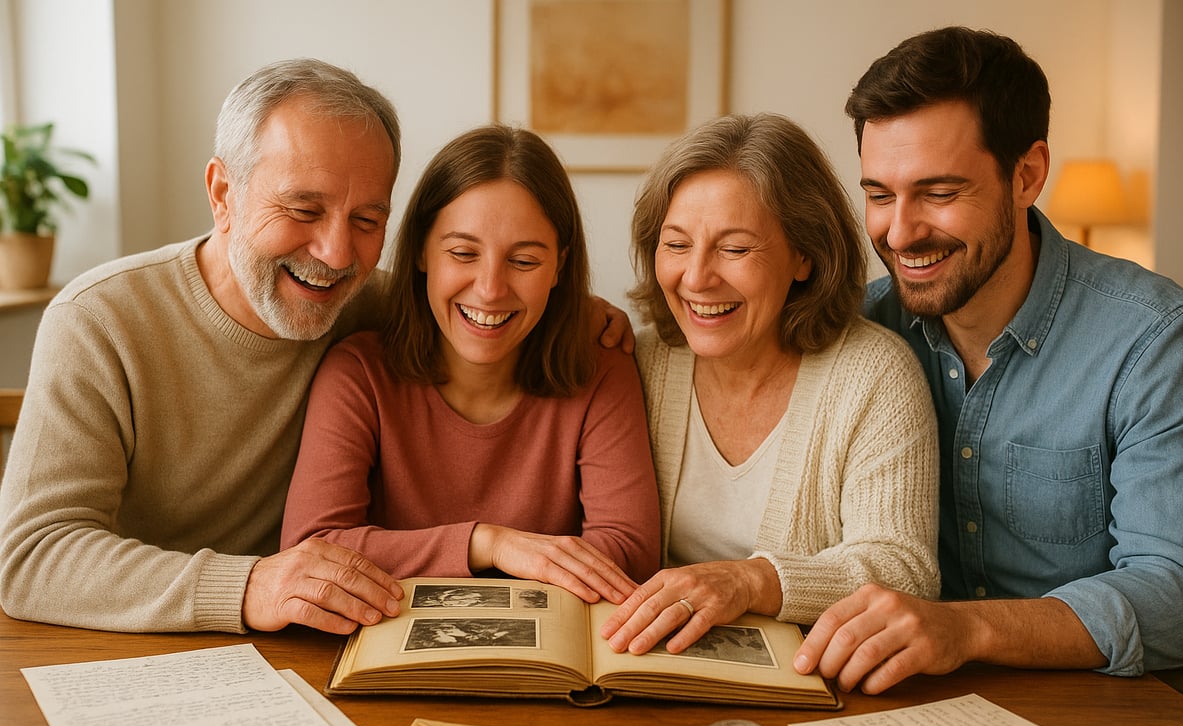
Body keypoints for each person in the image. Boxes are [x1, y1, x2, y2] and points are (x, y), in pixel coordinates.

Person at [0, 60, 631, 636]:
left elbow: (477, 300)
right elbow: (32, 557)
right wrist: (249, 584)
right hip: (126, 647)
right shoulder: (99, 321)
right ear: (223, 194)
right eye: (304, 208)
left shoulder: (370, 304)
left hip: (298, 644)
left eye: (366, 221)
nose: (335, 254)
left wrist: (579, 312)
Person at [794, 26, 1183, 694]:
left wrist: (966, 629)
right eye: (878, 194)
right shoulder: (857, 329)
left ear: (1028, 175)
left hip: (1102, 713)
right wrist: (596, 326)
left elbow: (1180, 595)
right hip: (898, 701)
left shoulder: (1153, 342)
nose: (899, 232)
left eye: (940, 193)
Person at [601, 113, 940, 656]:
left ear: (804, 255)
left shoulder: (874, 373)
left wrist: (749, 581)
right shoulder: (635, 362)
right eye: (677, 244)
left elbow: (904, 570)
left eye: (735, 249)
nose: (696, 278)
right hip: (644, 665)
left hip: (809, 678)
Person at [280, 125, 659, 604]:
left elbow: (631, 553)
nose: (490, 289)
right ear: (420, 249)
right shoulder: (358, 373)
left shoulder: (601, 364)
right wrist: (488, 544)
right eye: (463, 253)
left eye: (524, 262)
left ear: (560, 266)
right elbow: (310, 552)